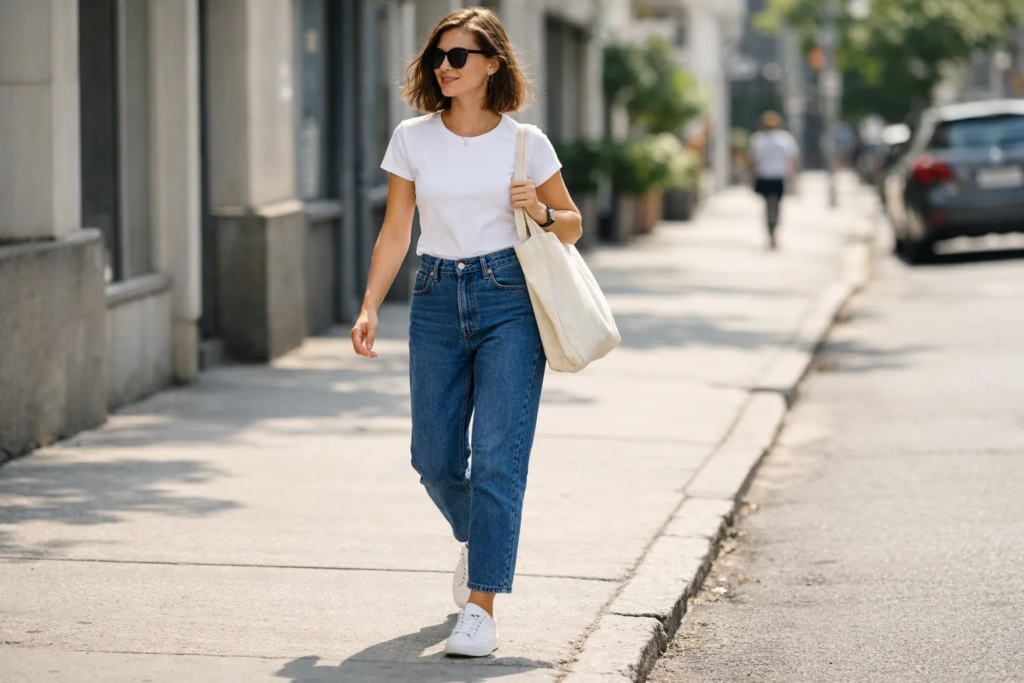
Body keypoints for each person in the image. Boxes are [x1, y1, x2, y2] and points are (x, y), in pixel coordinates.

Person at [348, 8, 581, 658]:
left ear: (492, 64)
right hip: (435, 297)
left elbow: (572, 223)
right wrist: (370, 304)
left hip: (510, 300)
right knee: (435, 458)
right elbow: (398, 229)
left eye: (457, 57)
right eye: (437, 58)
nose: (443, 68)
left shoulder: (525, 142)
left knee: (500, 457)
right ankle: (478, 539)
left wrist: (537, 206)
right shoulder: (413, 138)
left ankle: (481, 606)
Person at [748, 111, 800, 249]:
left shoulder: (758, 139)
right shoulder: (785, 139)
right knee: (776, 205)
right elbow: (792, 160)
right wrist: (794, 177)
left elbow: (753, 162)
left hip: (765, 176)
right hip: (778, 176)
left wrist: (751, 178)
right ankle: (773, 230)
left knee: (768, 206)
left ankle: (771, 230)